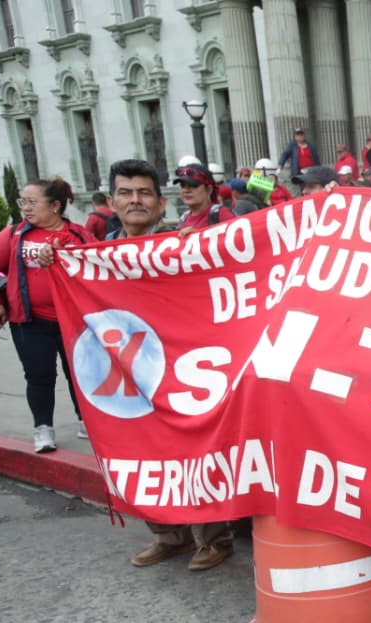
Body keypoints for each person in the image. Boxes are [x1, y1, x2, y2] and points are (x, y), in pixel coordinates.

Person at [100, 158, 235, 572]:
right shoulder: (96, 254)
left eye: (144, 193)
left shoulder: (181, 248)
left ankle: (215, 539)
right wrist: (53, 260)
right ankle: (169, 536)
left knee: (194, 451)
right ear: (112, 202)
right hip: (129, 371)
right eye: (125, 193)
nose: (135, 201)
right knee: (141, 449)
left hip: (182, 366)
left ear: (161, 204)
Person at [0, 177, 94, 452]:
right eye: (23, 202)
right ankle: (43, 428)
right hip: (30, 322)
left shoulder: (79, 236)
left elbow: (101, 266)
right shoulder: (13, 235)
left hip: (74, 321)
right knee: (39, 376)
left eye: (31, 202)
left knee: (81, 374)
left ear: (54, 206)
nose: (25, 208)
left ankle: (86, 421)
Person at [173, 164, 236, 237]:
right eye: (183, 186)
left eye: (193, 185)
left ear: (209, 189)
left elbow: (237, 239)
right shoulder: (183, 219)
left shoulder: (221, 214)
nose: (186, 190)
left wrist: (200, 236)